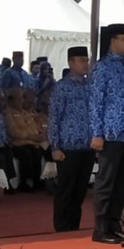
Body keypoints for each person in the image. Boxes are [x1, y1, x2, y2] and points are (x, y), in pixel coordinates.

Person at [90, 23, 124, 244]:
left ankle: (114, 224)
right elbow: (95, 102)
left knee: (122, 183)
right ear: (112, 41)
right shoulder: (102, 68)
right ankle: (100, 228)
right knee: (106, 181)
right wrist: (96, 133)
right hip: (109, 133)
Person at [48, 46, 93, 232]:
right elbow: (54, 117)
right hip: (68, 147)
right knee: (66, 189)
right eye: (81, 60)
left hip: (87, 146)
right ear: (70, 62)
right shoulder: (62, 88)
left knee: (80, 190)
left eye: (86, 60)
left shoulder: (90, 86)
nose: (85, 64)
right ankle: (61, 226)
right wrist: (54, 146)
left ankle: (73, 225)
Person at [4, 88, 44, 191]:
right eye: (19, 99)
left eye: (22, 98)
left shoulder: (25, 112)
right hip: (17, 143)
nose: (21, 101)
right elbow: (13, 132)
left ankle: (37, 181)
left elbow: (35, 126)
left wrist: (39, 134)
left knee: (37, 152)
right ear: (11, 101)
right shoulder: (8, 113)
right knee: (26, 154)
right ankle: (25, 182)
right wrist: (30, 137)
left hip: (31, 142)